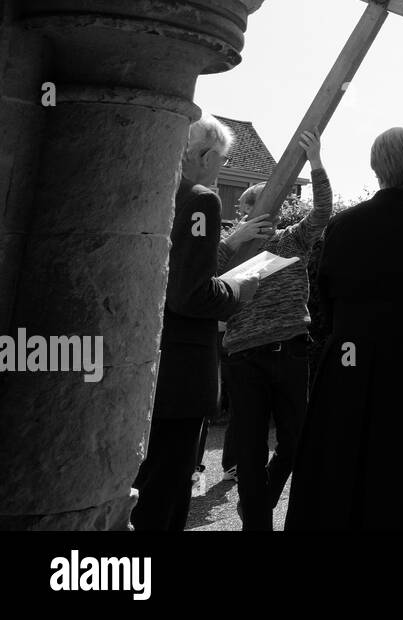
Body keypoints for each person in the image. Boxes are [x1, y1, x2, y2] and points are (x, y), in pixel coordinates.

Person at [285, 127, 403, 530]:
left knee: (346, 464)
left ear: (375, 165)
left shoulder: (342, 226)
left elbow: (324, 301)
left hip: (351, 361)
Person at [132, 116, 259, 531]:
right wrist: (237, 291)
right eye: (220, 162)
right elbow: (191, 293)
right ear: (205, 156)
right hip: (180, 372)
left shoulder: (146, 188)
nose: (219, 172)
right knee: (166, 490)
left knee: (134, 483)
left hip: (135, 360)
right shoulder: (202, 199)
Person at [214, 128, 332, 530]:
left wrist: (315, 161)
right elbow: (201, 277)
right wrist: (236, 238)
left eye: (271, 207)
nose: (264, 214)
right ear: (245, 211)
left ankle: (259, 502)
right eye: (253, 207)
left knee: (296, 442)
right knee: (248, 450)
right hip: (244, 358)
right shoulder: (229, 248)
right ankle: (258, 524)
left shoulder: (292, 242)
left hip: (290, 352)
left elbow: (322, 214)